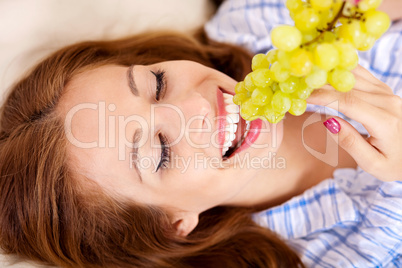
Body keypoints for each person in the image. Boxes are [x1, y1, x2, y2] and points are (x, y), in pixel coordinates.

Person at [0, 2, 400, 268]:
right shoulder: (341, 258)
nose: (198, 108)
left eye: (157, 84)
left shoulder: (264, 17)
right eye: (159, 152)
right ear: (171, 225)